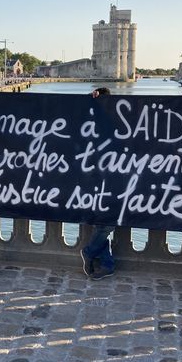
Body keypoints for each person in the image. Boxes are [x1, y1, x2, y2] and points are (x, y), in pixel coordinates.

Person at [79, 87, 116, 281]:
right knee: (105, 224)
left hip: (114, 179)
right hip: (92, 180)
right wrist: (89, 99)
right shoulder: (91, 119)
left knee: (106, 223)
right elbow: (73, 113)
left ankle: (98, 257)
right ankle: (103, 261)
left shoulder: (117, 120)